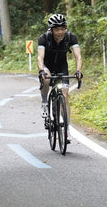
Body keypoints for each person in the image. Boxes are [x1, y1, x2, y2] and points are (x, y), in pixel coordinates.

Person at [37, 13, 83, 141]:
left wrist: (78, 70)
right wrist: (41, 71)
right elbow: (40, 57)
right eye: (57, 29)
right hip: (47, 66)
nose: (60, 32)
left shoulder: (71, 38)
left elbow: (78, 56)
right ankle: (45, 102)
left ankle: (66, 128)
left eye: (62, 28)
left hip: (62, 68)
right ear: (51, 30)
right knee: (46, 78)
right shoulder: (44, 38)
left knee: (65, 95)